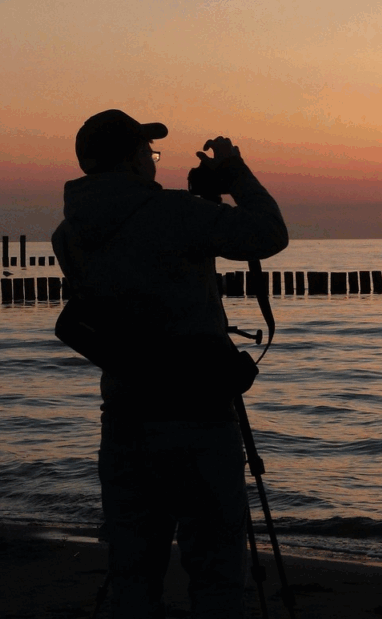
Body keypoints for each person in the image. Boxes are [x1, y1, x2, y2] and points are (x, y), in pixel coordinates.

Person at [52, 109, 289, 618]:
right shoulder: (175, 213)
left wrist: (198, 206)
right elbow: (268, 234)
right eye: (149, 152)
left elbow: (138, 284)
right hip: (197, 416)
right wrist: (234, 172)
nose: (153, 162)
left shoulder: (67, 234)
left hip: (124, 418)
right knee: (217, 570)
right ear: (135, 160)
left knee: (134, 572)